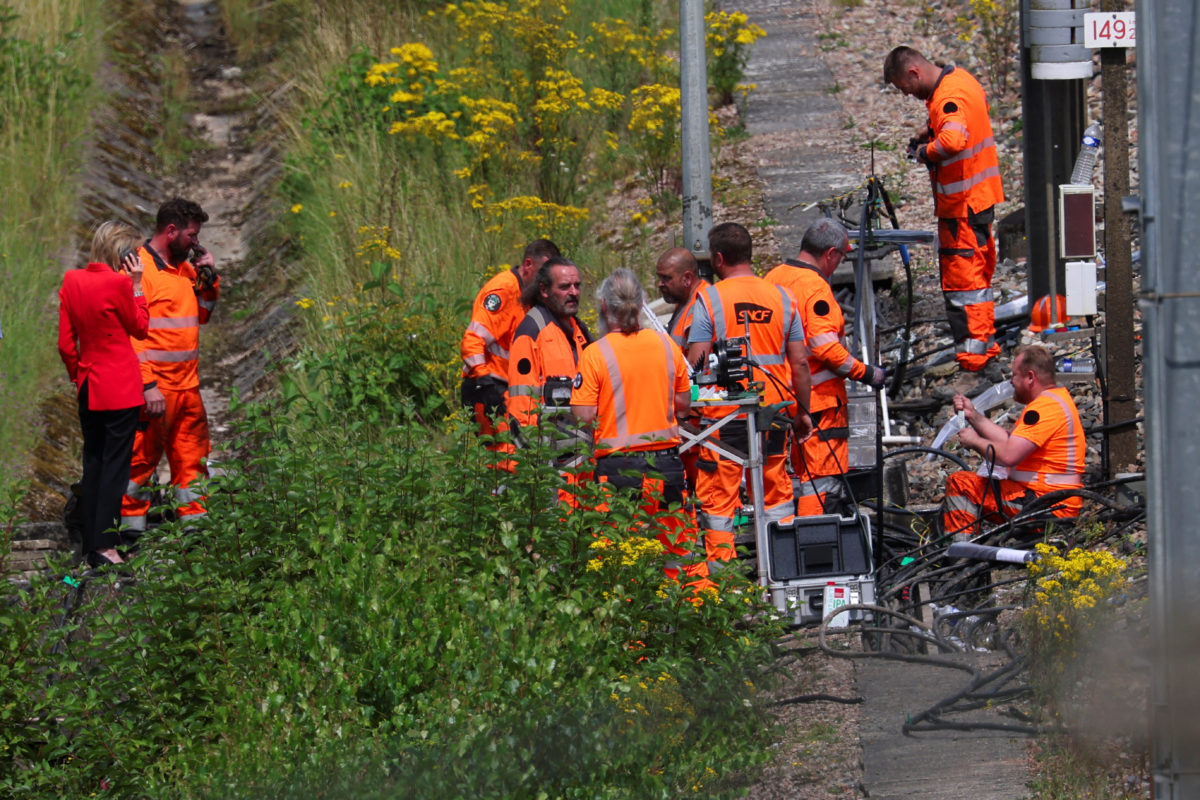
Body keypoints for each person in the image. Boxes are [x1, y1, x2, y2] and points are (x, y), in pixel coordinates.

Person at [686, 222, 814, 571]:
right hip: (773, 412)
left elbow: (696, 363)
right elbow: (800, 363)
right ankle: (781, 576)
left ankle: (724, 586)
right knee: (776, 493)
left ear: (718, 258)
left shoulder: (710, 299)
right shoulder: (784, 299)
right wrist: (803, 413)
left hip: (724, 417)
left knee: (719, 499)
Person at [572, 268, 705, 584]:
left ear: (604, 306)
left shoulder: (595, 354)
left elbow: (583, 415)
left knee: (617, 556)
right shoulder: (665, 346)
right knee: (677, 551)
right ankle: (691, 606)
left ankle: (626, 613)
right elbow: (684, 403)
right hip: (667, 466)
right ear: (642, 303)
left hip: (618, 469)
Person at [884, 45, 1005, 373]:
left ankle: (973, 360)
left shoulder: (947, 97)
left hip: (961, 206)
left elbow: (952, 141)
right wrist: (930, 130)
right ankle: (985, 345)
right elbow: (970, 117)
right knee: (977, 280)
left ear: (914, 72)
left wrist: (924, 152)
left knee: (963, 285)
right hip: (979, 199)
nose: (907, 95)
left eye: (905, 88)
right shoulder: (962, 80)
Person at [766, 219, 887, 516]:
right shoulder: (815, 287)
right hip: (818, 402)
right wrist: (868, 373)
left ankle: (784, 537)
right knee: (820, 479)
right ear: (831, 253)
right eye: (841, 257)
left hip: (777, 396)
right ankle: (818, 539)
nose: (839, 263)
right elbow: (825, 348)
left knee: (780, 479)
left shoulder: (773, 277)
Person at [121, 199, 220, 533]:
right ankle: (128, 536)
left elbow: (202, 314)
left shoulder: (186, 270)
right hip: (156, 390)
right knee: (138, 463)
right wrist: (147, 385)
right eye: (192, 236)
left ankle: (196, 530)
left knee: (192, 460)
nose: (196, 243)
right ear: (172, 231)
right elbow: (132, 335)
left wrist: (210, 277)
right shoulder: (138, 271)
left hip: (188, 388)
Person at [58, 222, 149, 567]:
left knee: (93, 463)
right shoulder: (120, 284)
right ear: (123, 255)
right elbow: (140, 326)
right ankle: (106, 546)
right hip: (120, 387)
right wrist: (137, 286)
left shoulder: (72, 280)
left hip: (89, 384)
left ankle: (90, 545)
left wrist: (78, 375)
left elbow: (66, 344)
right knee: (115, 467)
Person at [941, 345, 1086, 539]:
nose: (1011, 381)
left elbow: (1008, 456)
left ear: (1030, 377)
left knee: (961, 484)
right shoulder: (1054, 400)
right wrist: (972, 415)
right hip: (1049, 501)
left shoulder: (1045, 408)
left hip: (1047, 505)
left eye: (1014, 375)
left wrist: (975, 441)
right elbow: (1010, 442)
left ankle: (960, 551)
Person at [460, 239, 561, 442]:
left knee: (520, 453)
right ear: (528, 264)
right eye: (542, 273)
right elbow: (472, 341)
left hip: (510, 389)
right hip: (489, 387)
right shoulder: (504, 290)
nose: (545, 280)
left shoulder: (529, 295)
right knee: (504, 455)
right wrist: (486, 384)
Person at [506, 257, 592, 447]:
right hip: (550, 454)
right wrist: (534, 456)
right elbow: (522, 406)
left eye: (577, 285)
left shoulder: (579, 329)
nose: (574, 292)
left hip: (581, 451)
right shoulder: (531, 332)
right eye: (565, 287)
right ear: (544, 290)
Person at [655, 247, 708, 350]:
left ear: (687, 279)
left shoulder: (699, 308)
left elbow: (697, 359)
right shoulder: (684, 298)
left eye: (666, 278)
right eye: (659, 277)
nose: (659, 284)